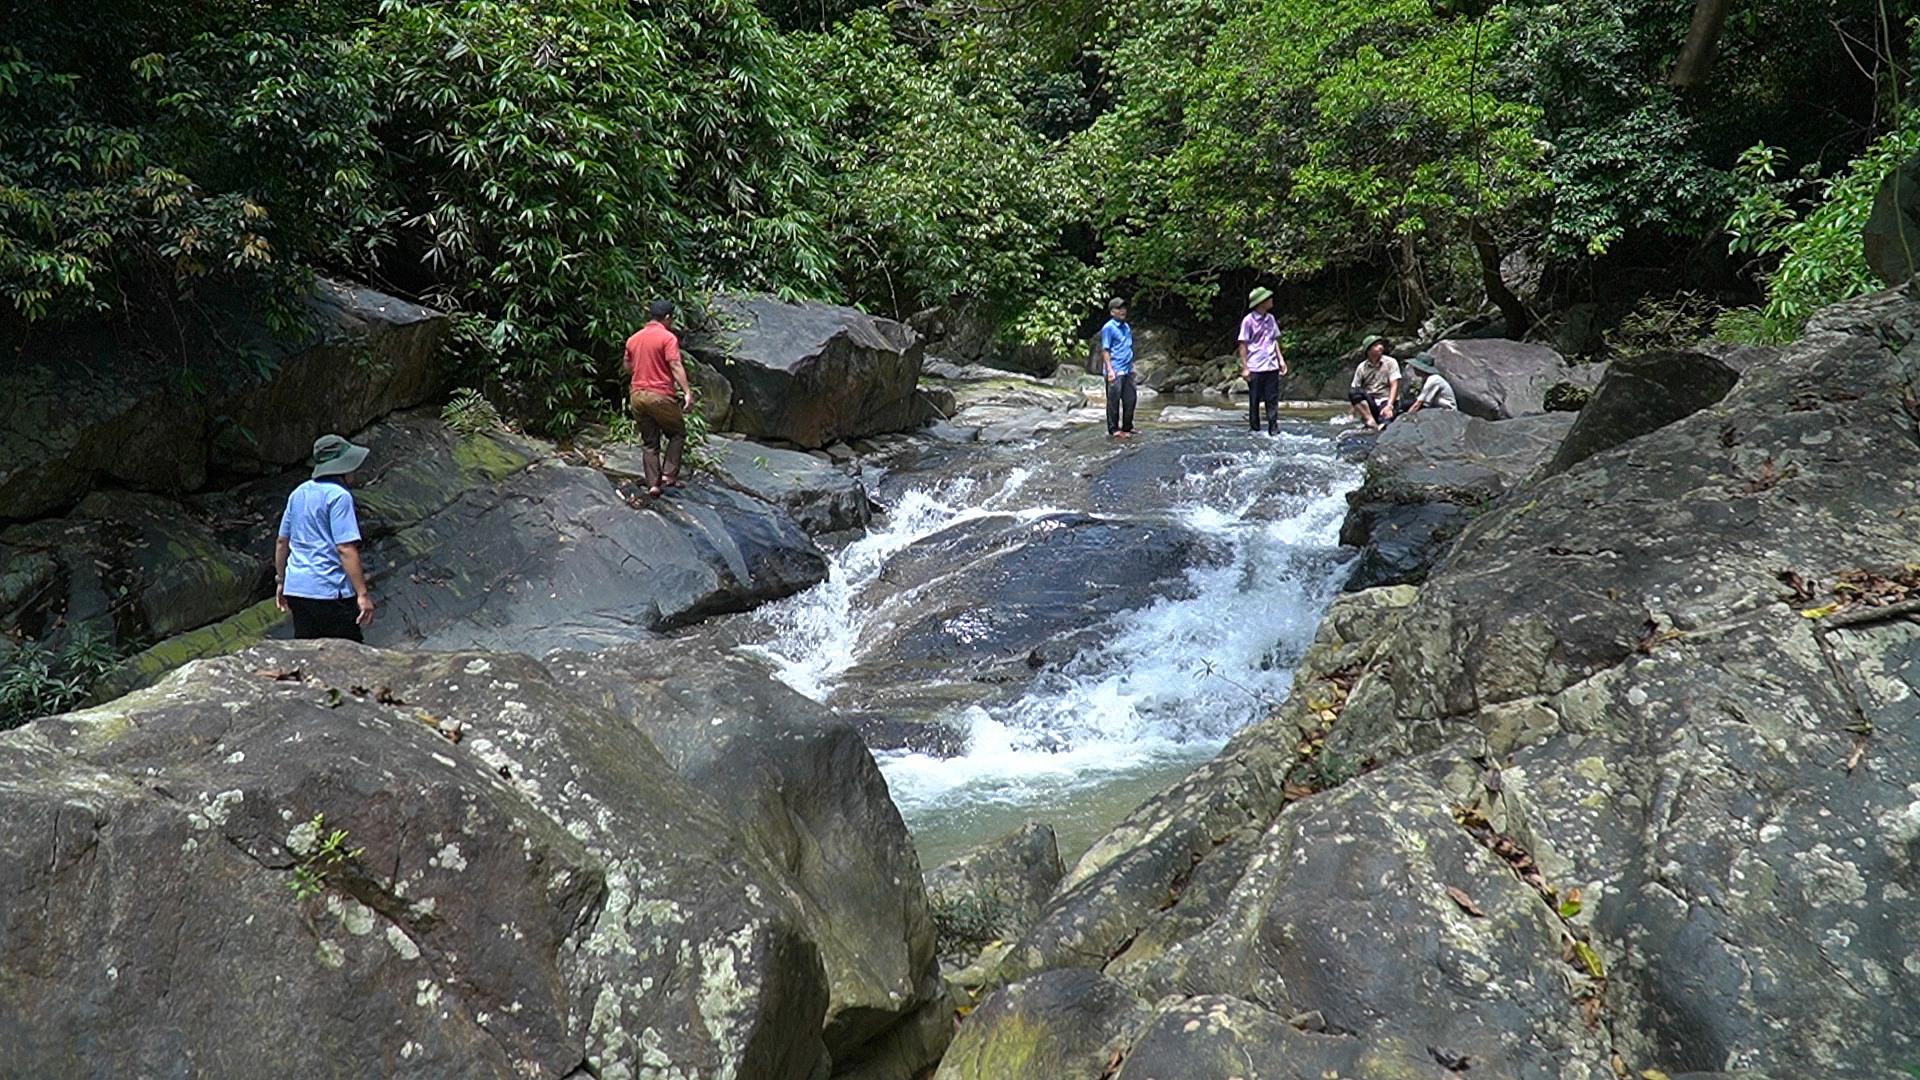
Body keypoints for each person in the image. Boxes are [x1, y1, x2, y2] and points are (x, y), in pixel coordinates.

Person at [276, 433, 374, 641]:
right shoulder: (339, 496)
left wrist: (282, 581)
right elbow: (345, 549)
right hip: (329, 590)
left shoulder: (298, 493)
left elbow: (282, 541)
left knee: (307, 652)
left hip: (298, 590)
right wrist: (362, 594)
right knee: (349, 654)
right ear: (343, 466)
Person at [625, 299, 696, 496]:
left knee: (650, 442)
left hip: (637, 395)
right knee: (677, 433)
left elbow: (628, 367)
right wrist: (687, 392)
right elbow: (674, 364)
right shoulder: (667, 337)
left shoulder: (633, 339)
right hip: (659, 395)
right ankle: (668, 476)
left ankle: (653, 486)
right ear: (667, 318)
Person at [1238, 286, 1288, 435]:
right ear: (1261, 302)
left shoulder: (1271, 319)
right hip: (1256, 366)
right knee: (1254, 400)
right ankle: (1254, 428)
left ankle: (1273, 428)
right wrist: (1245, 367)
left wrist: (1281, 360)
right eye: (1268, 299)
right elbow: (1243, 343)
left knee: (1272, 398)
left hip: (1271, 364)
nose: (1272, 300)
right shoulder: (1248, 321)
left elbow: (1274, 341)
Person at [1100, 296, 1137, 438]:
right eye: (1119, 308)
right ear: (1112, 312)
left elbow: (1127, 347)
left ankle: (1127, 427)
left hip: (1127, 370)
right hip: (1115, 370)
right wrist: (1110, 370)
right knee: (1113, 402)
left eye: (1124, 308)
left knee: (1131, 399)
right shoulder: (1108, 328)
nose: (1123, 311)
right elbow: (1106, 350)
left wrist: (1132, 368)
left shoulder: (1126, 327)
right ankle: (1114, 430)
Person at [1347, 335, 1402, 431]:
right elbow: (1355, 389)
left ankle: (1380, 423)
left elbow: (1395, 385)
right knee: (1353, 392)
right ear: (1368, 350)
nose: (1380, 347)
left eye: (1380, 344)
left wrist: (1389, 406)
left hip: (1387, 399)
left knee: (1386, 423)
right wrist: (1352, 413)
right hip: (1371, 401)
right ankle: (1370, 420)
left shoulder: (1391, 362)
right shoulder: (1362, 367)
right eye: (1376, 345)